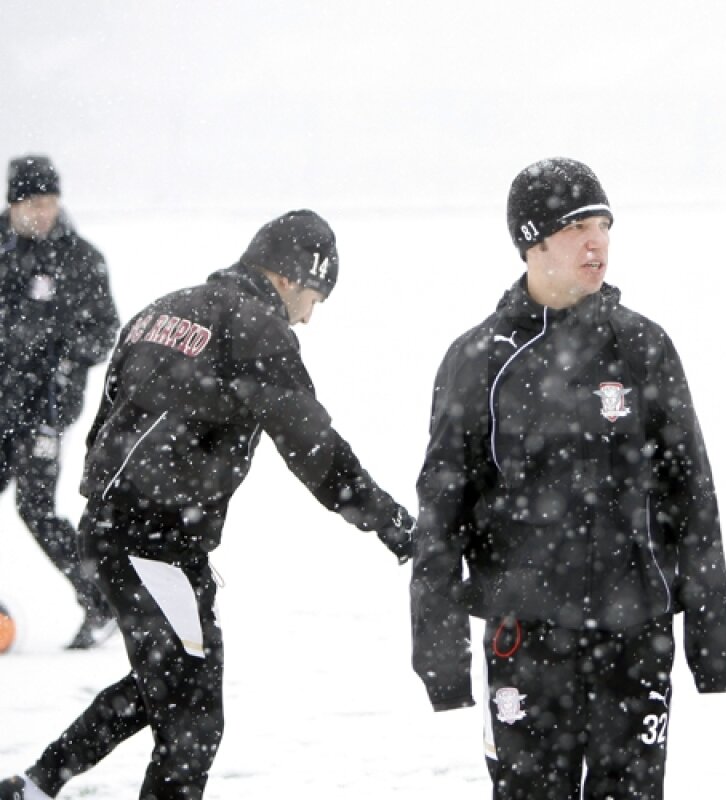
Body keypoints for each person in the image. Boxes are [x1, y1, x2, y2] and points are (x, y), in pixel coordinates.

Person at [0, 210, 416, 800]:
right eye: (317, 297)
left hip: (119, 529)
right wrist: (395, 526)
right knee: (194, 719)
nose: (312, 315)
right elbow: (317, 451)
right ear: (294, 277)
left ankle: (36, 784)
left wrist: (118, 514)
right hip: (155, 545)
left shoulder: (160, 310)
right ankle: (39, 783)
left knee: (159, 685)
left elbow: (104, 424)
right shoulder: (257, 329)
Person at [410, 158, 726, 799]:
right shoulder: (480, 358)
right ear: (533, 240)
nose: (598, 243)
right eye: (578, 226)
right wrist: (439, 654)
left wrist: (712, 634)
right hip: (525, 644)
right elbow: (441, 511)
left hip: (636, 636)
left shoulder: (643, 346)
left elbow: (692, 494)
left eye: (605, 226)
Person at [1, 155, 120, 650]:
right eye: (33, 204)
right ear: (14, 205)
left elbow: (105, 329)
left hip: (44, 411)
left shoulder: (81, 258)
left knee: (37, 509)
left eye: (50, 203)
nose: (43, 213)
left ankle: (100, 602)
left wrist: (63, 357)